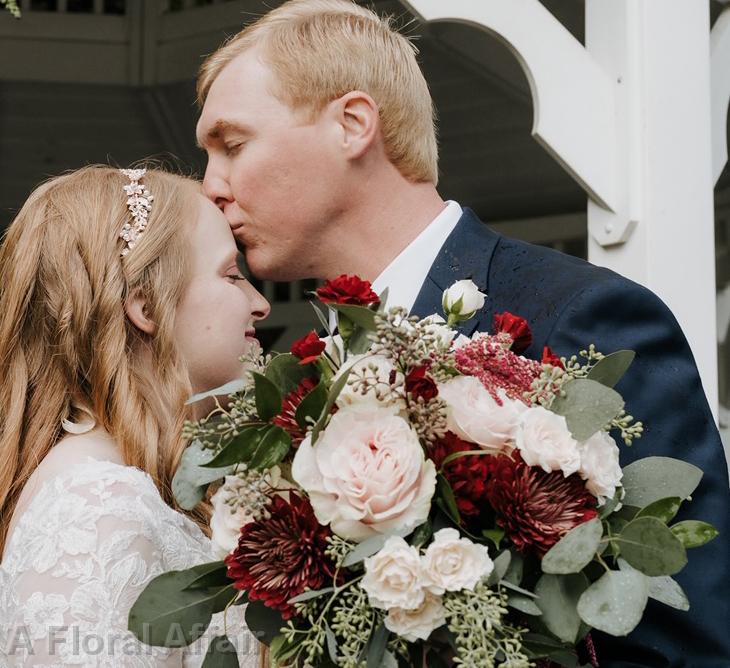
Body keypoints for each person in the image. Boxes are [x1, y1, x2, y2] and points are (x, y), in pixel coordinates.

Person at [194, 0, 730, 665]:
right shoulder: (300, 378)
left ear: (352, 124)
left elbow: (685, 643)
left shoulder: (585, 318)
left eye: (231, 144)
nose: (210, 186)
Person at [0, 165, 269, 667]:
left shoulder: (128, 479)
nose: (260, 304)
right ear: (146, 306)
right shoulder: (97, 505)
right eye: (232, 275)